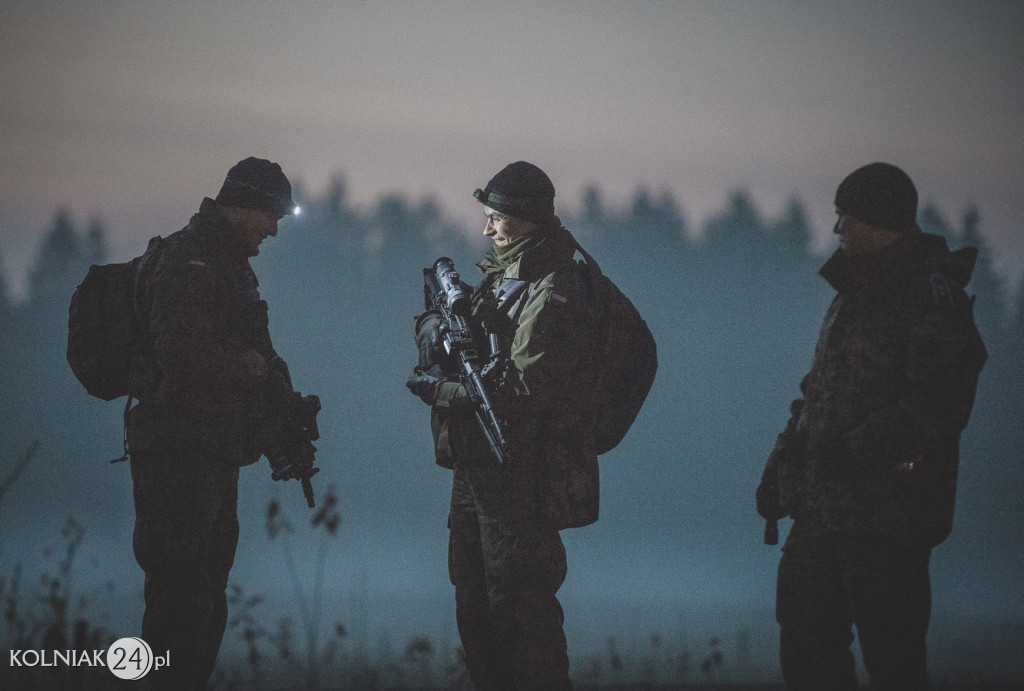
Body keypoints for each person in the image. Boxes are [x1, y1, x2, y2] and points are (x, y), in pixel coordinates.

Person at [756, 162, 987, 690]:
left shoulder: (930, 298)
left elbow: (938, 405)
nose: (838, 229)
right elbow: (816, 394)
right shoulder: (851, 296)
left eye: (847, 217)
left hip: (888, 520)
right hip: (818, 516)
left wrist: (852, 452)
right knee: (806, 651)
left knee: (894, 662)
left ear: (882, 221)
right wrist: (781, 468)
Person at [407, 161, 601, 690]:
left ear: (526, 221)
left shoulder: (557, 286)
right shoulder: (502, 278)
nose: (487, 229)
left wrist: (439, 391)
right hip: (476, 470)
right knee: (475, 610)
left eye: (496, 218)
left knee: (521, 613)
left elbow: (524, 390)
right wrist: (437, 334)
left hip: (523, 473)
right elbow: (443, 329)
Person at [126, 157, 318, 689]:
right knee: (178, 604)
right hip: (176, 457)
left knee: (205, 598)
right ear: (243, 206)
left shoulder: (228, 267)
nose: (274, 230)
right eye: (270, 216)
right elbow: (181, 354)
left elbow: (256, 347)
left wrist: (282, 408)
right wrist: (251, 369)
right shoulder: (189, 264)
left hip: (209, 455)